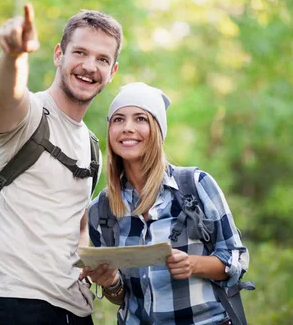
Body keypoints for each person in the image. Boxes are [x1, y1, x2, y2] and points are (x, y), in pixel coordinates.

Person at [0, 4, 122, 325]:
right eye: (80, 53)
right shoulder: (28, 114)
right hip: (7, 300)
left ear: (112, 71)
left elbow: (76, 226)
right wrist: (14, 55)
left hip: (72, 308)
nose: (90, 66)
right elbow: (6, 96)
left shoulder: (92, 146)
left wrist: (93, 262)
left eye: (102, 59)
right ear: (59, 54)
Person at [84, 82, 248, 325]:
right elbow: (121, 297)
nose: (127, 128)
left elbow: (235, 258)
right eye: (118, 120)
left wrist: (194, 264)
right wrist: (110, 283)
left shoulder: (195, 185)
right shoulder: (101, 209)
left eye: (140, 119)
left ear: (157, 129)